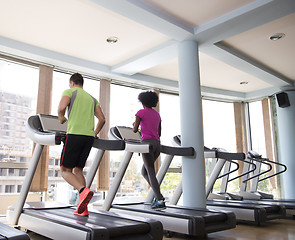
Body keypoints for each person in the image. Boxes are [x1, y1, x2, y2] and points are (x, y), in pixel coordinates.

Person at [58, 73, 105, 216]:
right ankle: (83, 208)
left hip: (74, 135)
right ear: (82, 83)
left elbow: (61, 108)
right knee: (78, 170)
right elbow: (102, 119)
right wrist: (95, 132)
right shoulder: (92, 98)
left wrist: (61, 118)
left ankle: (83, 191)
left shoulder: (69, 92)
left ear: (72, 82)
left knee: (65, 170)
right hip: (88, 138)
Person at [133, 91, 166, 210]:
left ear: (142, 102)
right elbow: (159, 133)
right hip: (157, 144)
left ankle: (160, 199)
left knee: (150, 171)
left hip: (147, 144)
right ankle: (158, 196)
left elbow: (135, 130)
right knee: (144, 171)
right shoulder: (157, 114)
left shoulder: (140, 113)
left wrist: (135, 125)